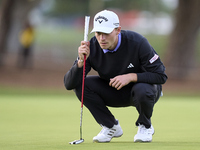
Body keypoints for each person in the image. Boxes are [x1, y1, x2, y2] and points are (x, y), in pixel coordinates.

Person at [64, 10, 167, 143]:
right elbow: (69, 84)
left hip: (144, 91)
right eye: (98, 33)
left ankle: (145, 126)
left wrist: (131, 76)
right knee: (81, 85)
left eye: (106, 33)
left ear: (118, 30)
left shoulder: (137, 42)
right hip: (114, 90)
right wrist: (80, 62)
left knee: (143, 89)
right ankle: (110, 126)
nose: (102, 38)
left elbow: (161, 76)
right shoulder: (92, 47)